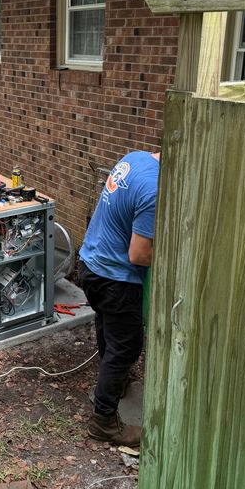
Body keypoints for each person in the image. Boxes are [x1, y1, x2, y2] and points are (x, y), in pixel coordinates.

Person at [78, 150, 160, 447]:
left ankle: (115, 383)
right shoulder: (155, 188)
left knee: (108, 331)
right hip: (115, 278)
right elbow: (138, 254)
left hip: (90, 264)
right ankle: (104, 422)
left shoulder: (136, 159)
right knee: (126, 347)